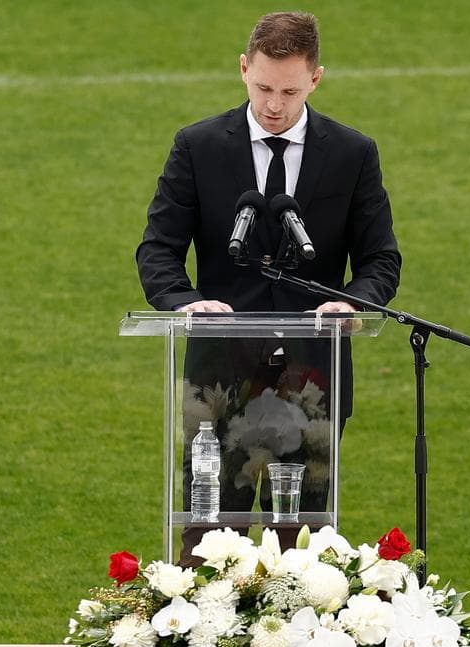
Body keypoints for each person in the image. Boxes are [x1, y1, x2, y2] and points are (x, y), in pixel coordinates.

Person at [136, 11, 401, 560]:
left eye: (289, 90)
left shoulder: (353, 155)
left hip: (313, 375)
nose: (274, 105)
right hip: (220, 375)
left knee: (302, 552)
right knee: (208, 543)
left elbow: (380, 259)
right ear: (242, 69)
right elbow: (158, 250)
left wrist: (349, 301)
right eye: (262, 87)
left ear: (316, 79)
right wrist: (187, 303)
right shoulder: (198, 146)